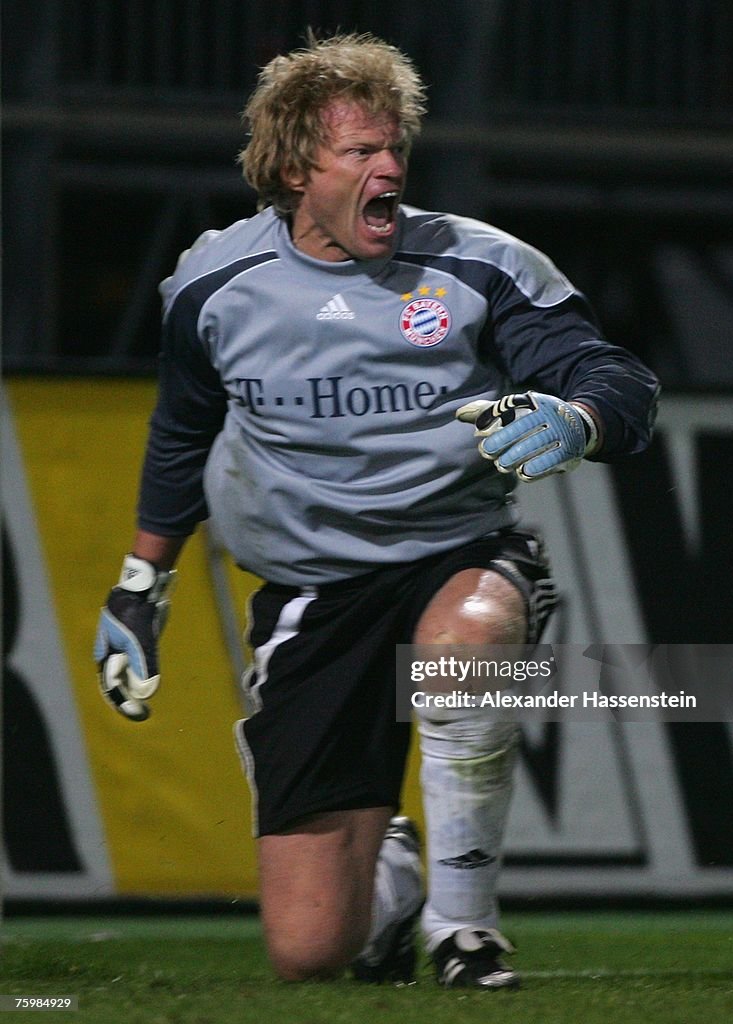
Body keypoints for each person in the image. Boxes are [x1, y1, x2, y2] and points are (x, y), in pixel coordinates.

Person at [94, 31, 659, 989]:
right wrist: (142, 584)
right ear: (291, 168)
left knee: (472, 636)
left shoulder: (480, 267)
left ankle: (463, 927)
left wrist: (578, 417)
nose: (390, 166)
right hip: (312, 592)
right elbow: (182, 434)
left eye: (396, 146)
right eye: (361, 151)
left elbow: (619, 380)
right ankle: (389, 877)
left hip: (457, 551)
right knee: (312, 956)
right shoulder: (211, 288)